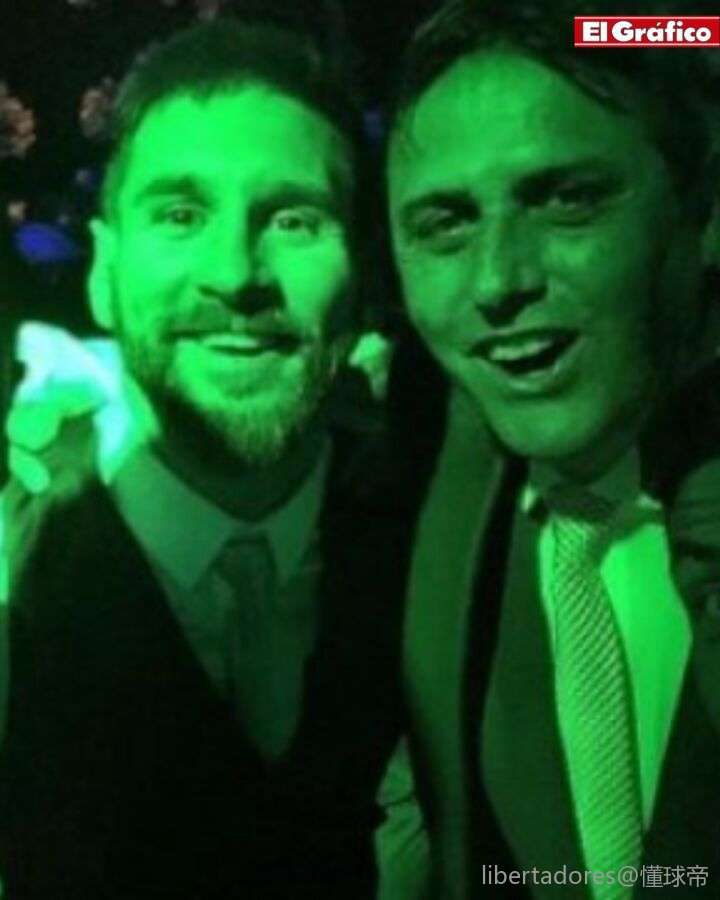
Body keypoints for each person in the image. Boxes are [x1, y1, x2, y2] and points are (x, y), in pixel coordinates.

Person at [0, 18, 417, 900]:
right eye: (181, 215)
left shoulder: (433, 536)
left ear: (366, 279)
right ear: (103, 273)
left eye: (294, 219)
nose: (234, 274)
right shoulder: (17, 572)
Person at [380, 0, 720, 896]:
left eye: (568, 200)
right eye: (445, 223)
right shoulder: (423, 518)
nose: (498, 280)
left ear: (703, 206)